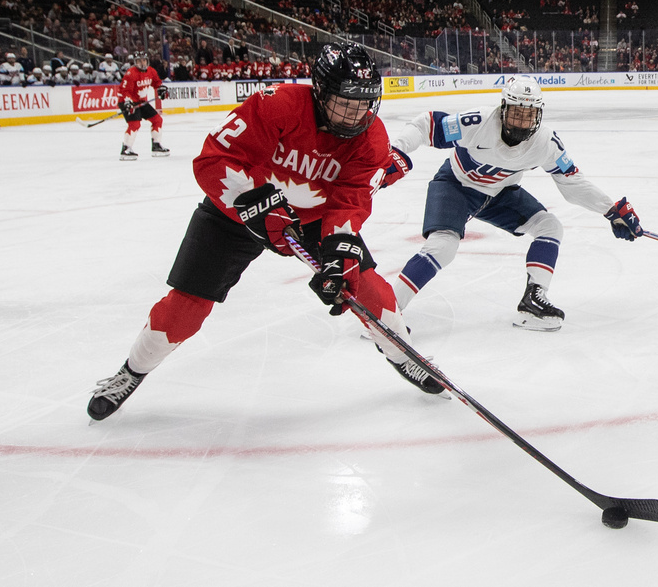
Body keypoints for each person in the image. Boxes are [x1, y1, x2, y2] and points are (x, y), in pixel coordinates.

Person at [86, 43, 440, 421]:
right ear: (320, 91)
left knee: (367, 287)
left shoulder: (371, 141)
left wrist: (338, 255)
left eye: (364, 103)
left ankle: (404, 354)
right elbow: (213, 158)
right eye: (345, 102)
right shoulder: (277, 105)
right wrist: (251, 200)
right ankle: (131, 371)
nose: (356, 114)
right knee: (186, 307)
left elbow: (350, 202)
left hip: (312, 222)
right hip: (235, 213)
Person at [388, 75, 644, 332]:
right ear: (503, 109)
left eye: (528, 115)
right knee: (444, 245)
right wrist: (397, 149)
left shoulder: (545, 143)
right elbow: (426, 125)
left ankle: (533, 299)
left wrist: (610, 210)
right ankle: (386, 311)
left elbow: (572, 183)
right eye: (516, 114)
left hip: (499, 194)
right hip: (456, 186)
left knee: (550, 227)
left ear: (538, 115)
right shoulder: (476, 122)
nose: (522, 122)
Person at [117, 52, 170, 160]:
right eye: (139, 61)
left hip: (141, 102)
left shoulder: (151, 71)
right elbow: (125, 91)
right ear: (135, 62)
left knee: (157, 120)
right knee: (134, 124)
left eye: (144, 60)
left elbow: (157, 83)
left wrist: (161, 89)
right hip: (127, 101)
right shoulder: (131, 73)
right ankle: (126, 149)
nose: (142, 63)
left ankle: (156, 145)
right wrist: (128, 102)